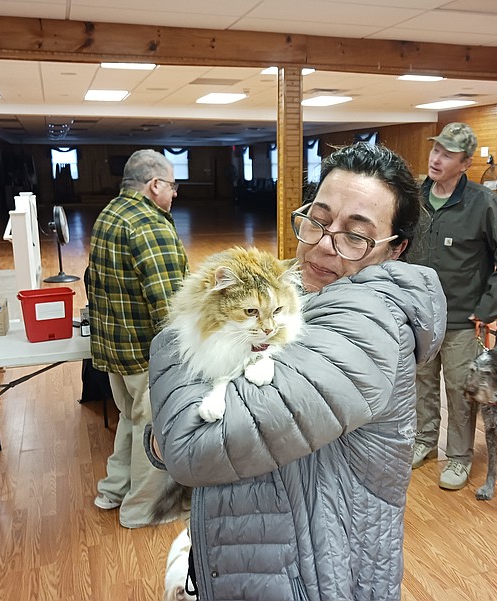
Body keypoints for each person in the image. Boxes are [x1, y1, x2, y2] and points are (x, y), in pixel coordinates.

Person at [147, 142, 447, 600]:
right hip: (260, 557)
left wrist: (184, 329)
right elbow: (178, 434)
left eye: (355, 235)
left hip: (317, 578)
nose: (325, 244)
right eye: (318, 219)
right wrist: (167, 430)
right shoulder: (291, 292)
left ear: (394, 249)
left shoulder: (371, 327)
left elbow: (190, 445)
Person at [407, 122, 497, 490]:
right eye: (435, 150)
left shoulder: (482, 202)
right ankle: (425, 442)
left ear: (466, 162)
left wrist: (488, 306)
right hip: (419, 315)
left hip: (460, 318)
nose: (436, 158)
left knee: (459, 389)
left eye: (447, 154)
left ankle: (458, 457)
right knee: (421, 383)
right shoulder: (414, 197)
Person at [87, 149, 189, 528]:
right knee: (153, 432)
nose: (175, 194)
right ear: (155, 185)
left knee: (131, 421)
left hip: (114, 350)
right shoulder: (151, 224)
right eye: (172, 185)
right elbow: (170, 305)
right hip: (146, 355)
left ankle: (112, 491)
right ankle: (140, 511)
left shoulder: (110, 214)